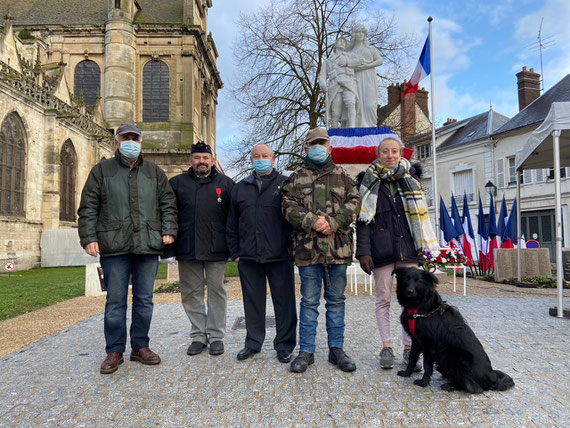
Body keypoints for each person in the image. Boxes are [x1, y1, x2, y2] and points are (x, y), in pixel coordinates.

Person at [78, 123, 177, 374]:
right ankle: (114, 351)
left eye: (135, 138)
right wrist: (89, 237)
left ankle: (140, 346)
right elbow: (89, 206)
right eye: (126, 138)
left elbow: (168, 203)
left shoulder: (154, 171)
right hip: (114, 245)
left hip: (147, 244)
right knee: (115, 301)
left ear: (141, 142)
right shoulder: (102, 171)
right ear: (117, 142)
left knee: (144, 300)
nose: (130, 141)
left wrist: (168, 229)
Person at [356, 136, 438, 370]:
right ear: (378, 153)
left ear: (401, 153)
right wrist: (363, 251)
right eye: (385, 151)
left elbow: (422, 218)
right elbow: (362, 221)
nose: (390, 156)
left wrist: (424, 248)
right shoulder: (368, 181)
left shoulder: (411, 180)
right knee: (383, 300)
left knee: (412, 302)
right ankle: (386, 346)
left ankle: (410, 348)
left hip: (410, 250)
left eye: (394, 151)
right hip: (381, 251)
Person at [281, 127, 360, 373]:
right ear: (306, 149)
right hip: (308, 251)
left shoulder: (343, 176)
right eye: (313, 143)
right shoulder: (295, 178)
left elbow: (354, 203)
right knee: (309, 302)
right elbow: (287, 206)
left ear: (329, 148)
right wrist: (312, 221)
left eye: (322, 143)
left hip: (337, 249)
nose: (318, 147)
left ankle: (337, 350)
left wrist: (334, 223)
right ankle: (307, 351)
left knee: (336, 301)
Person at [226, 144, 297, 363]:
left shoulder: (286, 184)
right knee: (252, 302)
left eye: (265, 156)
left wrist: (291, 248)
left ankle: (284, 345)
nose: (261, 159)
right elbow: (231, 224)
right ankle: (253, 343)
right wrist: (236, 252)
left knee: (284, 303)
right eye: (256, 156)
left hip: (280, 255)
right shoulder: (240, 188)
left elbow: (294, 220)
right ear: (251, 160)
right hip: (249, 257)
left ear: (274, 158)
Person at [169, 141, 234, 356]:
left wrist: (234, 247)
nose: (201, 161)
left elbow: (233, 218)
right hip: (188, 247)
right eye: (197, 158)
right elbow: (170, 214)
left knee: (217, 292)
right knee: (191, 293)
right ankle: (198, 335)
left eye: (205, 158)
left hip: (217, 248)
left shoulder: (226, 184)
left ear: (212, 161)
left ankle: (216, 336)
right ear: (191, 160)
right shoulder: (177, 184)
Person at [347, 24, 383, 127]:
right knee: (356, 103)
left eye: (362, 32)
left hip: (368, 76)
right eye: (358, 32)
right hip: (354, 78)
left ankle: (371, 125)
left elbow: (379, 60)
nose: (360, 34)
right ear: (354, 34)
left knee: (370, 103)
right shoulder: (349, 51)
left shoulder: (371, 49)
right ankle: (357, 125)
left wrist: (367, 66)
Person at [319, 37, 359, 128]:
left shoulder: (350, 56)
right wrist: (323, 84)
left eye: (344, 42)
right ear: (335, 45)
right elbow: (322, 75)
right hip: (335, 84)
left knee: (351, 103)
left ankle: (352, 128)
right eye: (339, 41)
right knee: (335, 112)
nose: (342, 43)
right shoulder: (328, 61)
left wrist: (347, 61)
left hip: (348, 82)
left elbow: (360, 61)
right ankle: (334, 132)